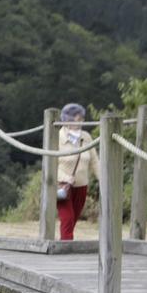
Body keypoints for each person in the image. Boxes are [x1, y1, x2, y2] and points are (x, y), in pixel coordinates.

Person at [53, 103, 95, 241]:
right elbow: (50, 164)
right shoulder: (56, 137)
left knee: (73, 220)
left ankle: (64, 243)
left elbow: (94, 161)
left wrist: (105, 180)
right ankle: (66, 249)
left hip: (81, 186)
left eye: (82, 119)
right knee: (68, 219)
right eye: (77, 119)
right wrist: (65, 177)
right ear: (66, 120)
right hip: (62, 186)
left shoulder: (86, 137)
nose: (80, 122)